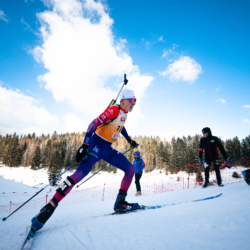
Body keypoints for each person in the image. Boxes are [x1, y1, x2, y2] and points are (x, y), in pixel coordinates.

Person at [30, 89, 140, 233]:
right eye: (132, 101)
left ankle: (120, 202)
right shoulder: (114, 110)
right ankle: (48, 208)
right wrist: (84, 145)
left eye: (135, 101)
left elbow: (121, 127)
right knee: (79, 175)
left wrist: (129, 139)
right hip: (94, 146)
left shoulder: (123, 114)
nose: (134, 104)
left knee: (131, 169)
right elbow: (93, 124)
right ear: (123, 100)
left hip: (107, 148)